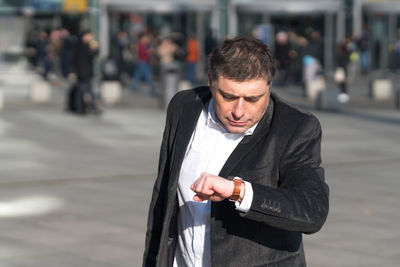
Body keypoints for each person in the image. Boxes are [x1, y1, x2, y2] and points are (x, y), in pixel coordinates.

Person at [143, 36, 329, 267]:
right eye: (228, 97)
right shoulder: (184, 107)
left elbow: (312, 211)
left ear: (269, 86)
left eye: (253, 99)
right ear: (211, 81)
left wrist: (238, 191)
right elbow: (163, 199)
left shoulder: (295, 127)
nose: (239, 111)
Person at [71, 30, 100, 114]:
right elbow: (88, 56)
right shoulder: (82, 46)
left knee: (85, 91)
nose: (90, 37)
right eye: (89, 35)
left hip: (85, 72)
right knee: (83, 91)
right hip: (83, 72)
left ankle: (85, 107)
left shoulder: (84, 45)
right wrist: (94, 49)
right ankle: (82, 107)